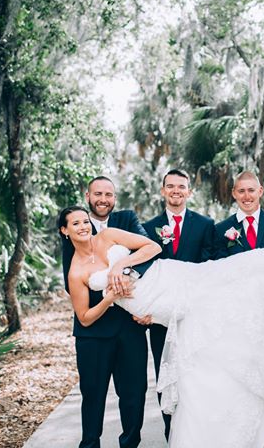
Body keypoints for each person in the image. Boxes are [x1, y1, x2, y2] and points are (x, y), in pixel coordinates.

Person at [58, 206, 264, 448]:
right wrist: (109, 298)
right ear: (65, 231)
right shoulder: (75, 271)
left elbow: (152, 247)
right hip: (160, 310)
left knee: (227, 278)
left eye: (85, 221)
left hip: (170, 279)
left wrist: (120, 265)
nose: (83, 227)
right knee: (198, 370)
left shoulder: (108, 236)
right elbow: (85, 317)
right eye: (76, 223)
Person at [60, 176, 150, 448]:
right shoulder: (72, 238)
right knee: (93, 396)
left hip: (130, 325)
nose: (103, 199)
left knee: (134, 393)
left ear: (114, 197)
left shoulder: (124, 221)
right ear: (88, 197)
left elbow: (149, 253)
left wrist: (124, 274)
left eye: (108, 194)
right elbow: (72, 285)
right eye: (97, 194)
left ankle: (130, 444)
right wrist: (108, 295)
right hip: (94, 332)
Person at [141, 168, 215, 440]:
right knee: (166, 375)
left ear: (189, 191)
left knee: (196, 375)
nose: (176, 191)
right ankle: (171, 435)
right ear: (163, 191)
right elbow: (144, 271)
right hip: (161, 318)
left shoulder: (205, 225)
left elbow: (210, 267)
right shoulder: (147, 227)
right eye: (170, 186)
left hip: (195, 315)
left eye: (181, 186)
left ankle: (197, 434)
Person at [214, 171, 264, 259]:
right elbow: (221, 265)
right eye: (241, 191)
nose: (247, 196)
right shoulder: (220, 230)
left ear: (260, 191)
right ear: (234, 193)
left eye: (251, 190)